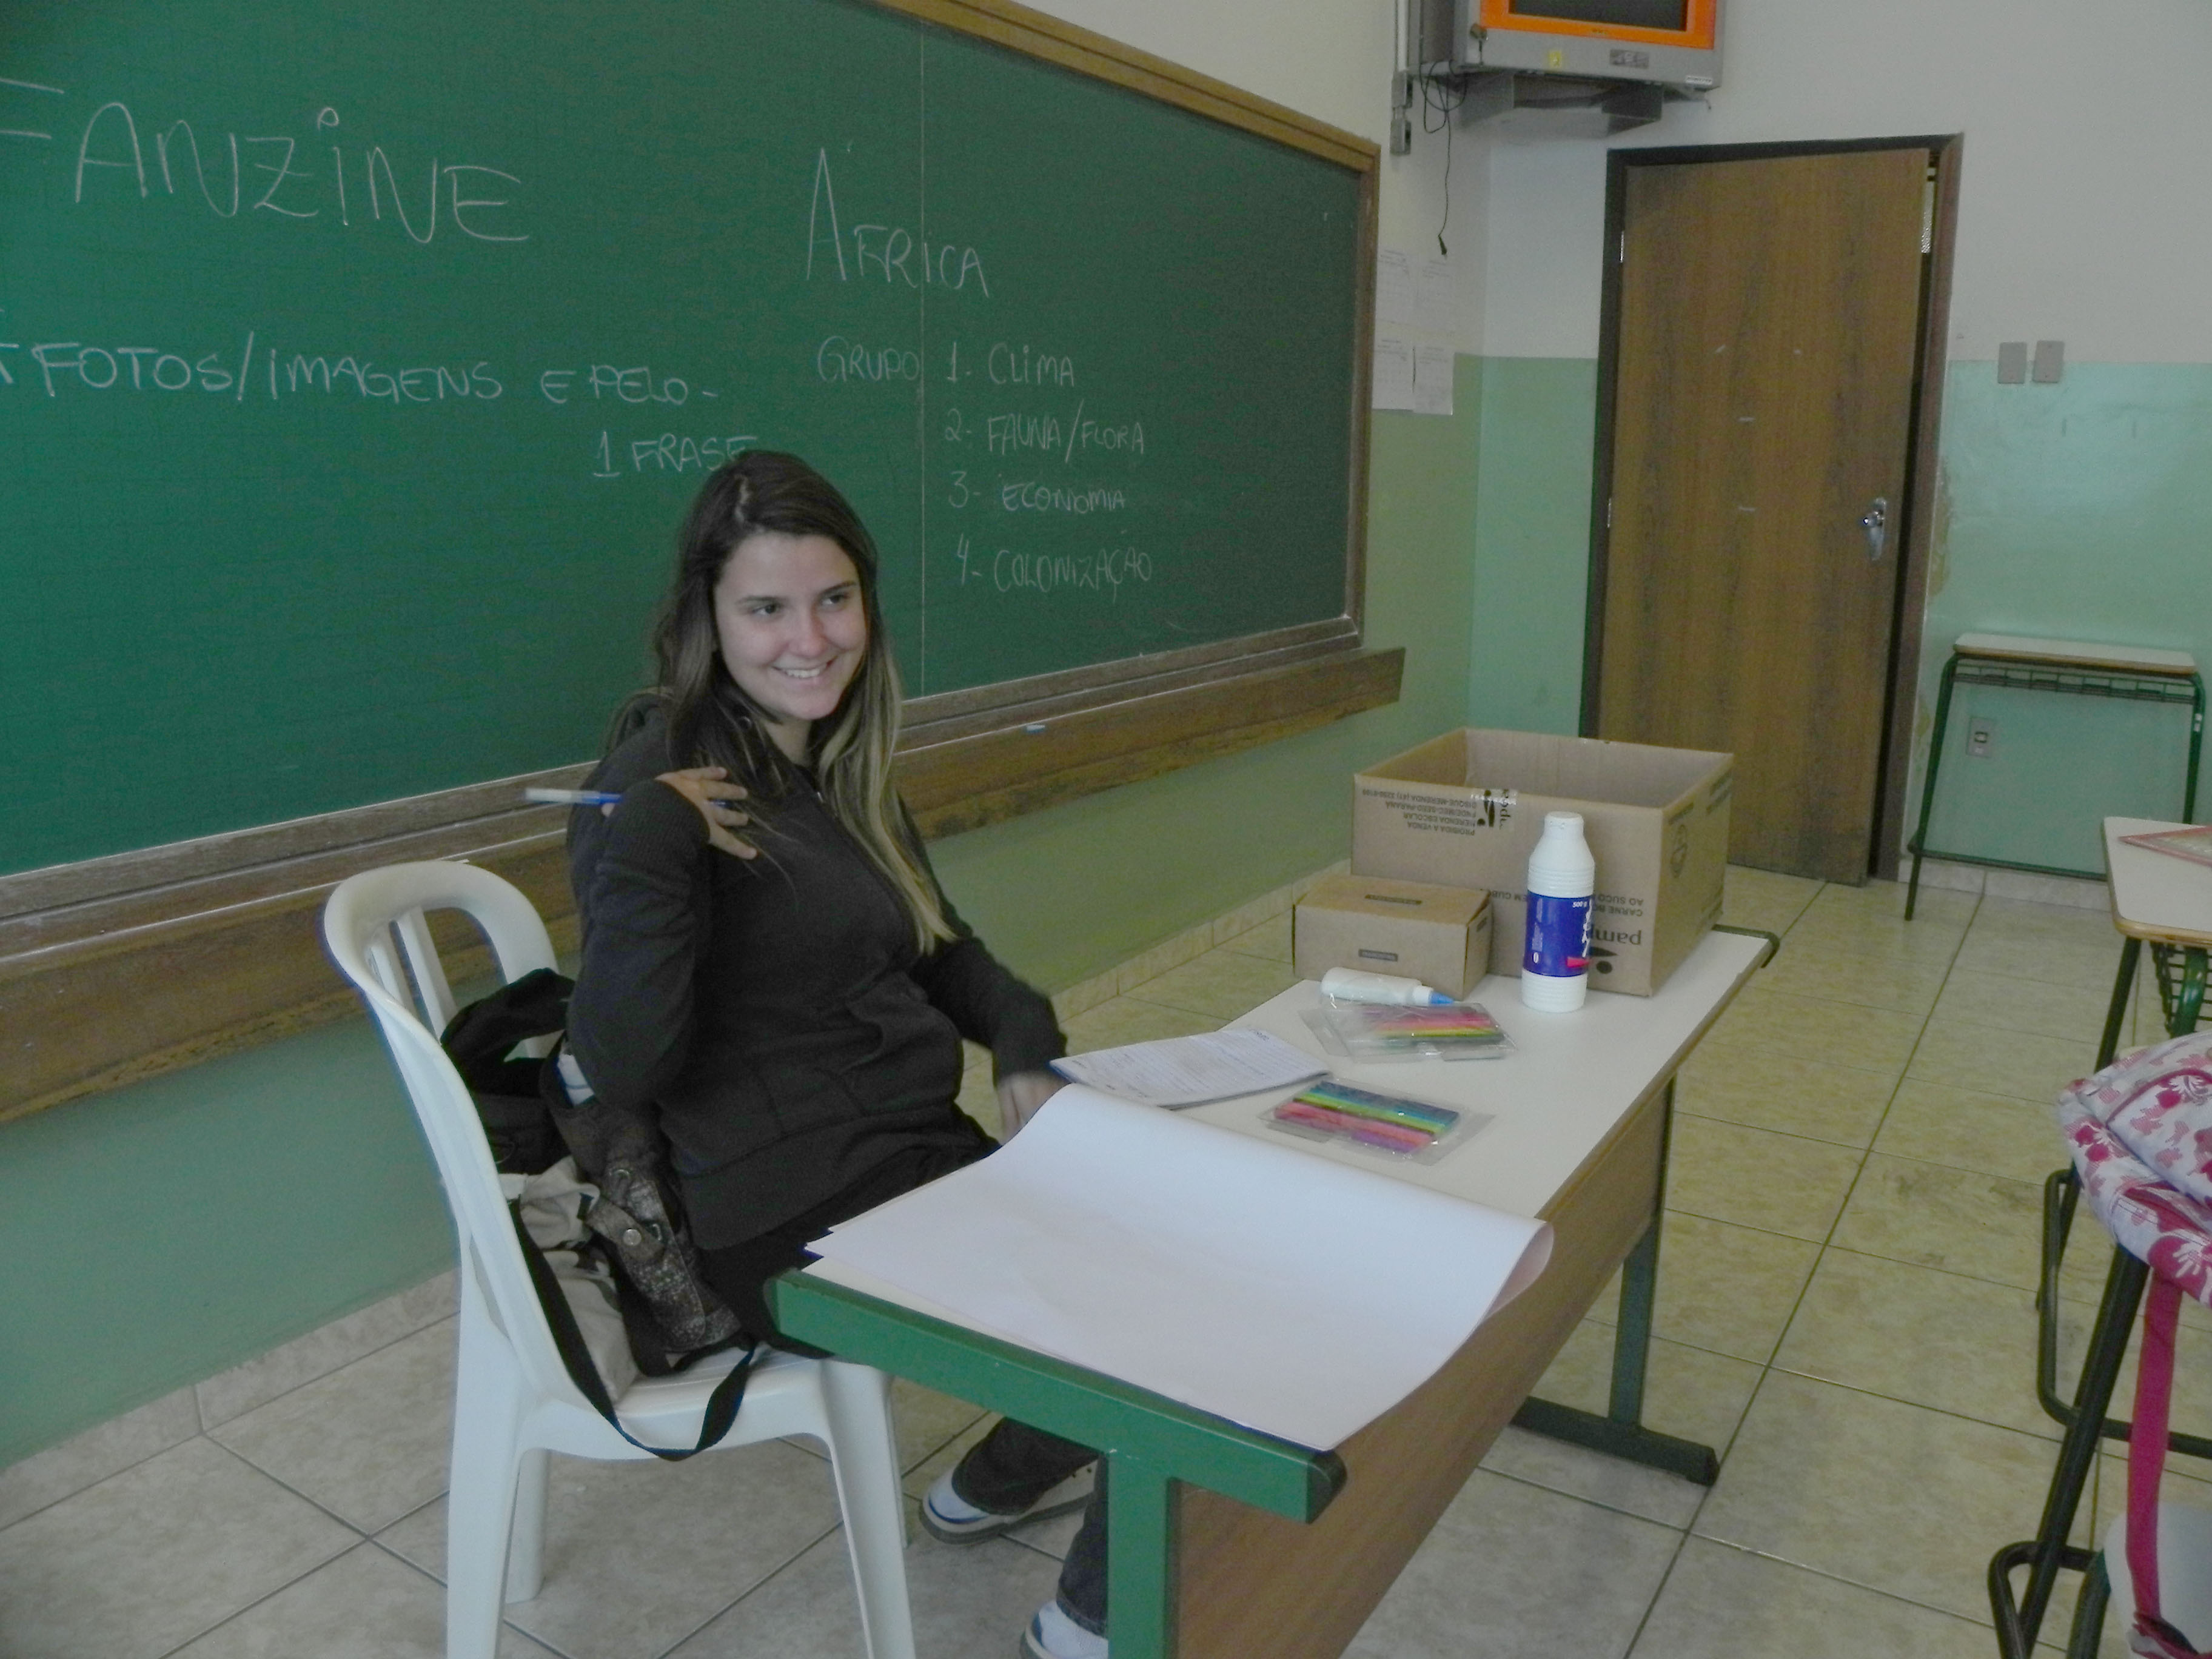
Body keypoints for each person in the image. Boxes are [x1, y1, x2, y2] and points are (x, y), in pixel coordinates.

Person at [560, 451, 1110, 1659]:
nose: (810, 640)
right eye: (766, 608)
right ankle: (1093, 1623)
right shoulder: (662, 785)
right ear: (707, 616)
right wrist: (650, 839)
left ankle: (1000, 1479)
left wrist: (1024, 1041)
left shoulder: (831, 759)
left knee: (1172, 1223)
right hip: (782, 1217)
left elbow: (935, 946)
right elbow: (625, 1064)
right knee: (1165, 1304)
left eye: (834, 600)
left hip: (899, 1152)